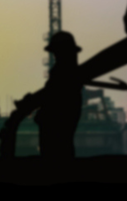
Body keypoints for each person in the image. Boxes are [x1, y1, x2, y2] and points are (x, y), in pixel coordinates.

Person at [34, 31, 84, 159]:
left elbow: (51, 97)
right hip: (58, 132)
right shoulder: (69, 74)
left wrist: (35, 106)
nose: (55, 55)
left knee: (57, 152)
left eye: (56, 52)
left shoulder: (62, 73)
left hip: (54, 133)